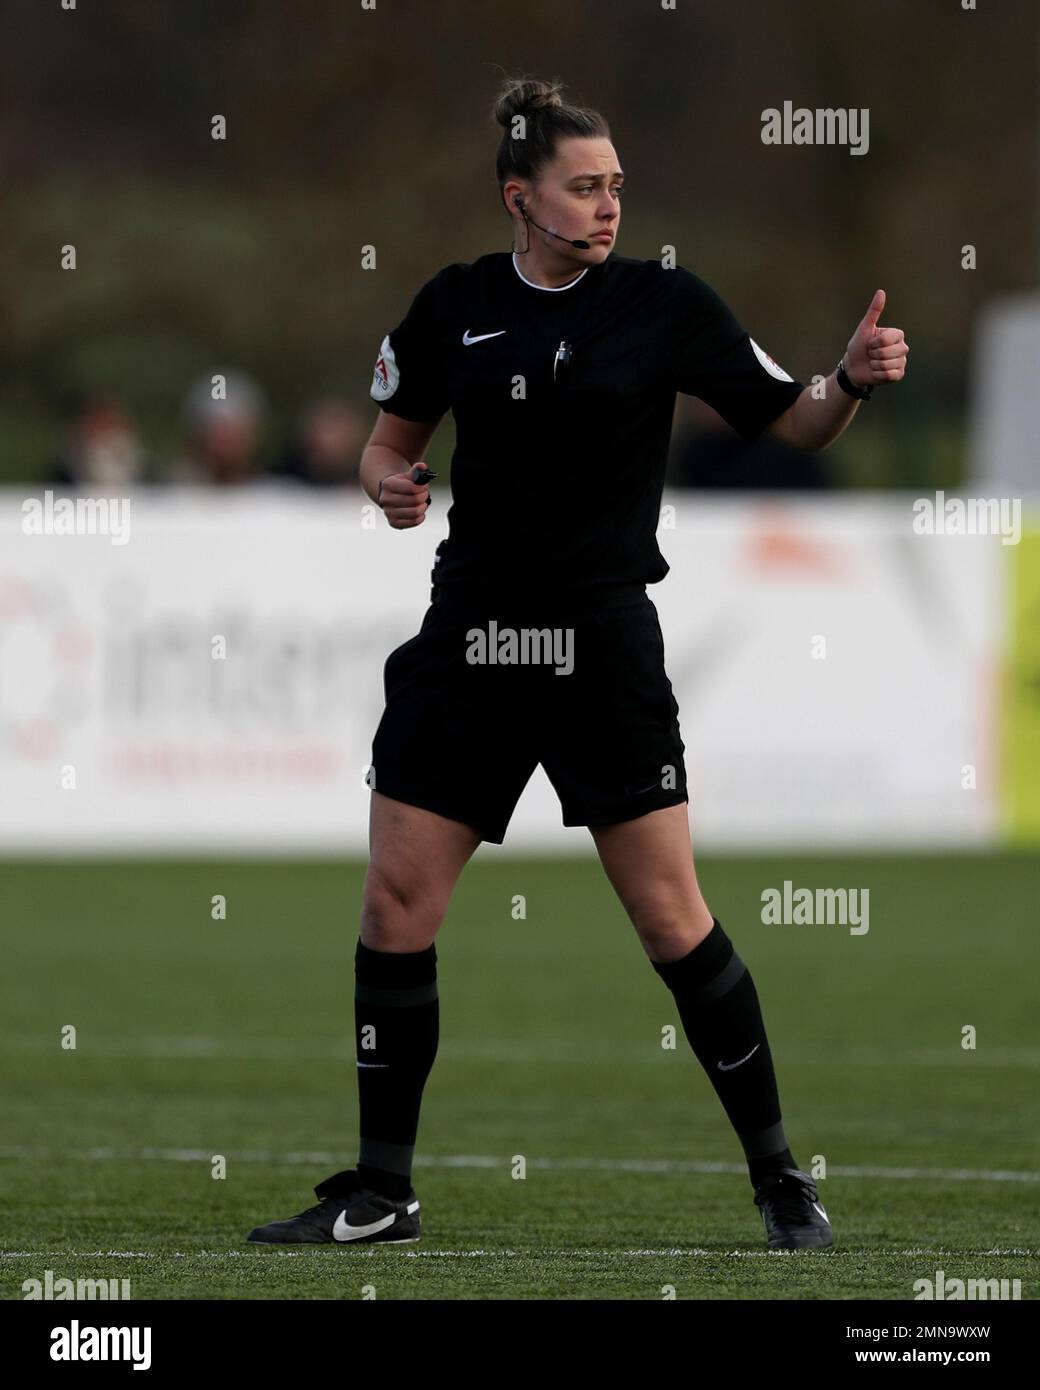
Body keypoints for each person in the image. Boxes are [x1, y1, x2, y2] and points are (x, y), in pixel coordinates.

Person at [247, 76, 908, 1253]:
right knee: (396, 904)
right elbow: (385, 448)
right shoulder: (451, 304)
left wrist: (846, 378)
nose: (608, 207)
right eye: (584, 186)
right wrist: (386, 485)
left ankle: (778, 1180)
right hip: (470, 641)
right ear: (521, 196)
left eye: (615, 186)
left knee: (670, 917)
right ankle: (381, 1191)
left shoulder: (661, 303)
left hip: (599, 643)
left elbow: (791, 417)